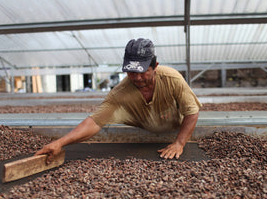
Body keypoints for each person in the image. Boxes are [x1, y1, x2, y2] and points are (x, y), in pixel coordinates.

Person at [36, 38, 202, 162]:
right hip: (143, 121)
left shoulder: (171, 78)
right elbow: (94, 122)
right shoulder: (121, 91)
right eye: (131, 72)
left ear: (155, 66)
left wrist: (180, 143)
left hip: (173, 121)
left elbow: (192, 112)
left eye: (143, 72)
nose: (136, 78)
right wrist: (60, 142)